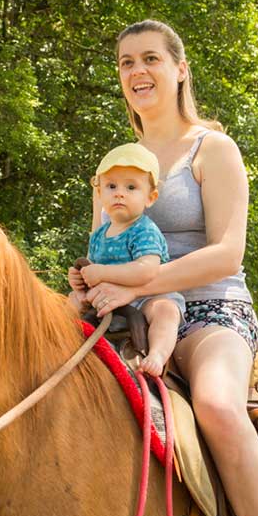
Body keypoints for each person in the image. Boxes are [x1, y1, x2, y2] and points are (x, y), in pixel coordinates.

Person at [84, 19, 258, 516]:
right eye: (125, 62)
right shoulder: (116, 166)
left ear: (180, 69)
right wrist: (90, 282)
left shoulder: (213, 150)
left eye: (150, 58)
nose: (137, 71)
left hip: (212, 311)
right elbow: (104, 246)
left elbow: (228, 252)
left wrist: (138, 283)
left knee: (215, 405)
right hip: (127, 313)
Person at [68, 143, 186, 376]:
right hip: (105, 297)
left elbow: (147, 270)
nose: (119, 193)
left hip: (146, 295)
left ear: (150, 198)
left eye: (131, 187)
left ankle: (158, 354)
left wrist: (102, 273)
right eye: (111, 186)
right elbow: (92, 267)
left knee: (165, 310)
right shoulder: (100, 233)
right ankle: (61, 342)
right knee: (69, 301)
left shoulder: (144, 230)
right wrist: (80, 279)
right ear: (100, 193)